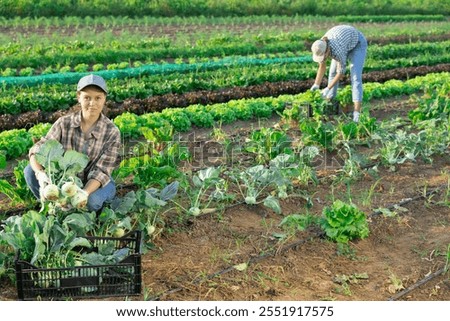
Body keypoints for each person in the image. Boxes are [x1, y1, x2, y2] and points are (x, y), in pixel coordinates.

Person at [24, 74, 122, 212]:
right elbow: (38, 149)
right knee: (29, 171)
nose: (92, 103)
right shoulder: (64, 123)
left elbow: (102, 172)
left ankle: (98, 212)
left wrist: (83, 194)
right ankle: (54, 208)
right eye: (87, 97)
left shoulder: (112, 132)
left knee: (92, 201)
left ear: (104, 99)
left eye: (98, 98)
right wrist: (40, 175)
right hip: (67, 183)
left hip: (96, 183)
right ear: (79, 97)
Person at [310, 25, 368, 122]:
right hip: (344, 41)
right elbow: (322, 65)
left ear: (327, 51)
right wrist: (316, 84)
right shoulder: (320, 45)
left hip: (357, 44)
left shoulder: (338, 50)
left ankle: (357, 114)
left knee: (355, 77)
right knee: (332, 73)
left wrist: (328, 88)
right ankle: (331, 106)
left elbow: (341, 73)